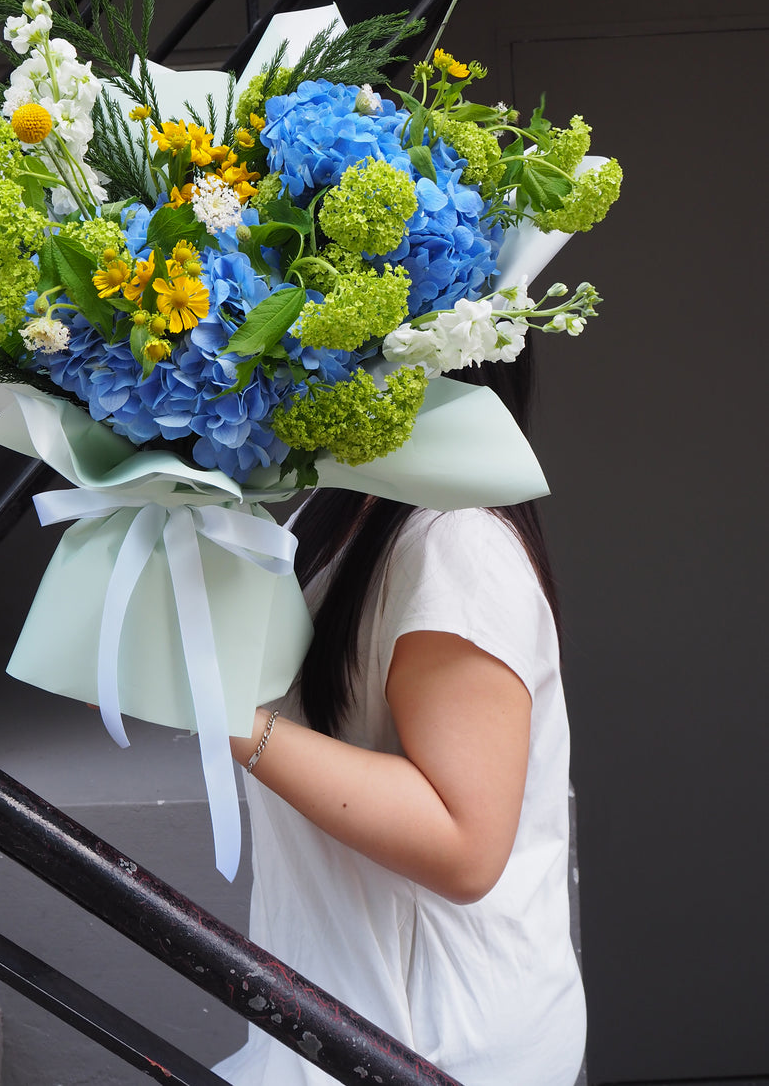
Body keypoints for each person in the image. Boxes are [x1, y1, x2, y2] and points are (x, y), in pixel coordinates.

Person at [216, 350, 587, 1086]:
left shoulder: (456, 541)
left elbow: (463, 842)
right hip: (350, 1007)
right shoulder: (348, 503)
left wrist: (224, 717)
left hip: (431, 1041)